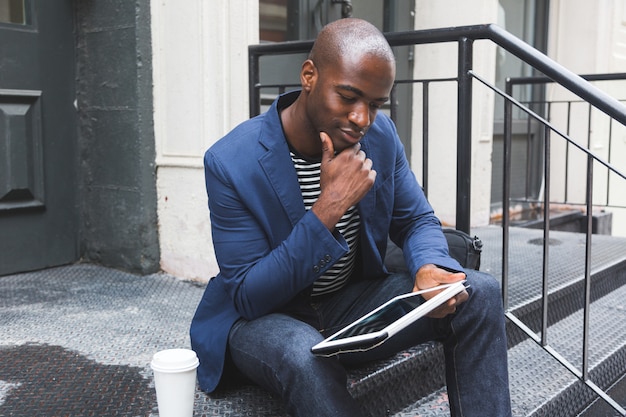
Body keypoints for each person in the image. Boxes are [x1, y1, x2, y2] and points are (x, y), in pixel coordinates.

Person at [191, 18, 511, 417]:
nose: (362, 118)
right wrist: (329, 207)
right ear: (309, 75)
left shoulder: (380, 137)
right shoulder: (231, 161)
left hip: (351, 302)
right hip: (266, 318)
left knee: (477, 293)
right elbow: (249, 294)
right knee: (300, 353)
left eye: (375, 104)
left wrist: (429, 266)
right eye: (348, 97)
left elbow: (416, 221)